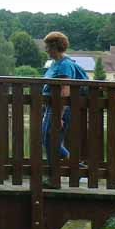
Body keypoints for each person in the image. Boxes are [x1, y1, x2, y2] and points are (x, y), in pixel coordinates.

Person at [41, 31, 89, 161]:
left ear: (54, 47)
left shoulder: (65, 65)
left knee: (52, 140)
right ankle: (73, 168)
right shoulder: (56, 63)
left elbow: (65, 91)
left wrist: (59, 116)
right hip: (52, 107)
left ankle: (59, 174)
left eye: (47, 46)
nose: (46, 50)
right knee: (47, 139)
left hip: (61, 108)